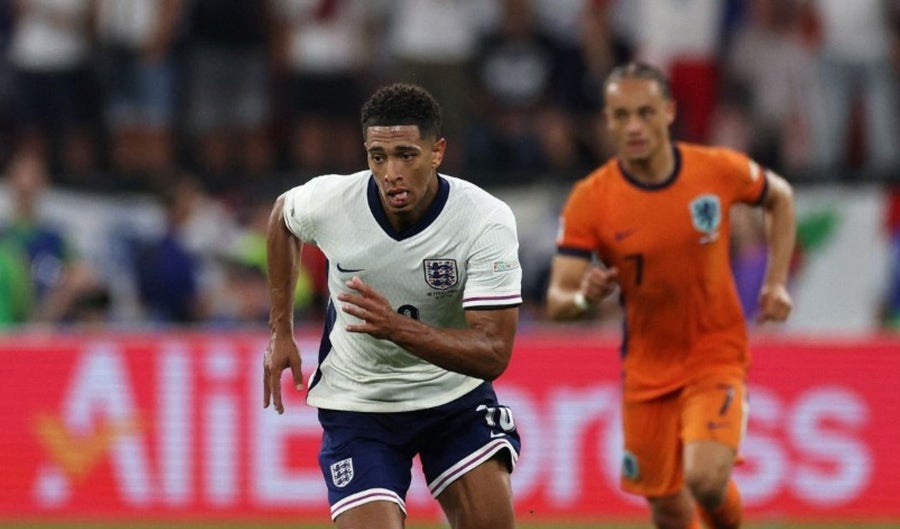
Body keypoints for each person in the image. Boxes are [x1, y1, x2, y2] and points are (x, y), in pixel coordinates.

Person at [546, 62, 796, 529]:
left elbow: (779, 197)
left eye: (645, 112)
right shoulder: (591, 199)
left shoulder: (714, 169)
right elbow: (559, 297)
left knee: (705, 480)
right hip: (646, 369)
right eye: (622, 115)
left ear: (668, 112)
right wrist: (584, 298)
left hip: (715, 354)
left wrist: (775, 281)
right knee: (667, 510)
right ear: (608, 121)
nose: (634, 126)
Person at [263, 83, 523, 529]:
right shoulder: (334, 202)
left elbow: (494, 353)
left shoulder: (484, 220)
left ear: (437, 152)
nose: (391, 173)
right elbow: (282, 217)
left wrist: (396, 328)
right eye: (378, 157)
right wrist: (280, 330)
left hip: (453, 398)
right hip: (360, 403)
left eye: (406, 155)